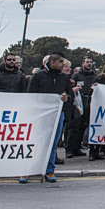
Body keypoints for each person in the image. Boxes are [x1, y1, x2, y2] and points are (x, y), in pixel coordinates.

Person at [21, 53, 73, 183]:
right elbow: (31, 95)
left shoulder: (64, 78)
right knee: (34, 141)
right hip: (40, 114)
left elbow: (71, 95)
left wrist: (67, 98)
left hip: (57, 113)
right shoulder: (38, 76)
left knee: (52, 143)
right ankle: (26, 170)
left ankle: (50, 170)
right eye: (60, 62)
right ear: (52, 63)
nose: (63, 64)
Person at [69, 57, 99, 160]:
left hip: (89, 101)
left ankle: (77, 147)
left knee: (84, 125)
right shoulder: (77, 75)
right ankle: (70, 148)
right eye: (87, 62)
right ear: (83, 64)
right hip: (78, 102)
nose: (89, 64)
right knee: (74, 126)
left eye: (91, 62)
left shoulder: (94, 76)